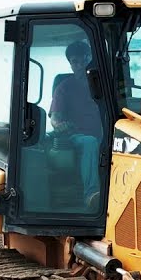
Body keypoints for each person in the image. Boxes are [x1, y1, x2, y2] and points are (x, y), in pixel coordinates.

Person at [48, 40, 102, 204]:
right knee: (90, 142)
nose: (81, 65)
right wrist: (59, 125)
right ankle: (91, 194)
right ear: (70, 63)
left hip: (103, 134)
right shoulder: (64, 88)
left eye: (85, 60)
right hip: (76, 137)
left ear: (91, 59)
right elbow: (55, 118)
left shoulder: (103, 85)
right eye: (75, 61)